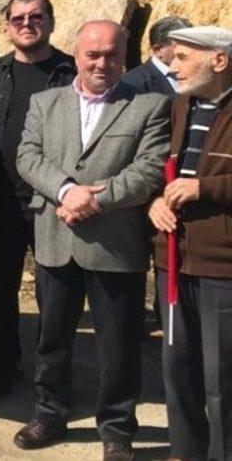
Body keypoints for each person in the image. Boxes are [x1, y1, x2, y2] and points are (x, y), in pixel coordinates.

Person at [13, 20, 170, 461]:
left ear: (125, 56)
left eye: (112, 55)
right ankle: (49, 413)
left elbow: (148, 171)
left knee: (118, 345)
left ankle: (117, 428)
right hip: (55, 238)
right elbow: (28, 156)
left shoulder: (150, 105)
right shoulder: (45, 103)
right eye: (93, 55)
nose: (102, 63)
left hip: (114, 244)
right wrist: (66, 191)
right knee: (52, 338)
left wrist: (94, 201)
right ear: (77, 55)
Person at [0, 0, 77, 405]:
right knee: (0, 293)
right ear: (7, 26)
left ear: (50, 21)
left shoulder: (70, 72)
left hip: (51, 201)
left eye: (36, 17)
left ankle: (53, 381)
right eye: (18, 19)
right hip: (0, 201)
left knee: (55, 297)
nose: (27, 24)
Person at [146, 26, 232, 461]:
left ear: (219, 60)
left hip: (222, 269)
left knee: (222, 380)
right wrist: (155, 203)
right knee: (177, 369)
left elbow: (200, 183)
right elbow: (158, 168)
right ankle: (185, 452)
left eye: (182, 57)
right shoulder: (180, 105)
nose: (172, 65)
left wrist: (204, 188)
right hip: (173, 262)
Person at [122, 15, 192, 97]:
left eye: (192, 45)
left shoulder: (197, 75)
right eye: (182, 45)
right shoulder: (133, 84)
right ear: (158, 50)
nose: (189, 50)